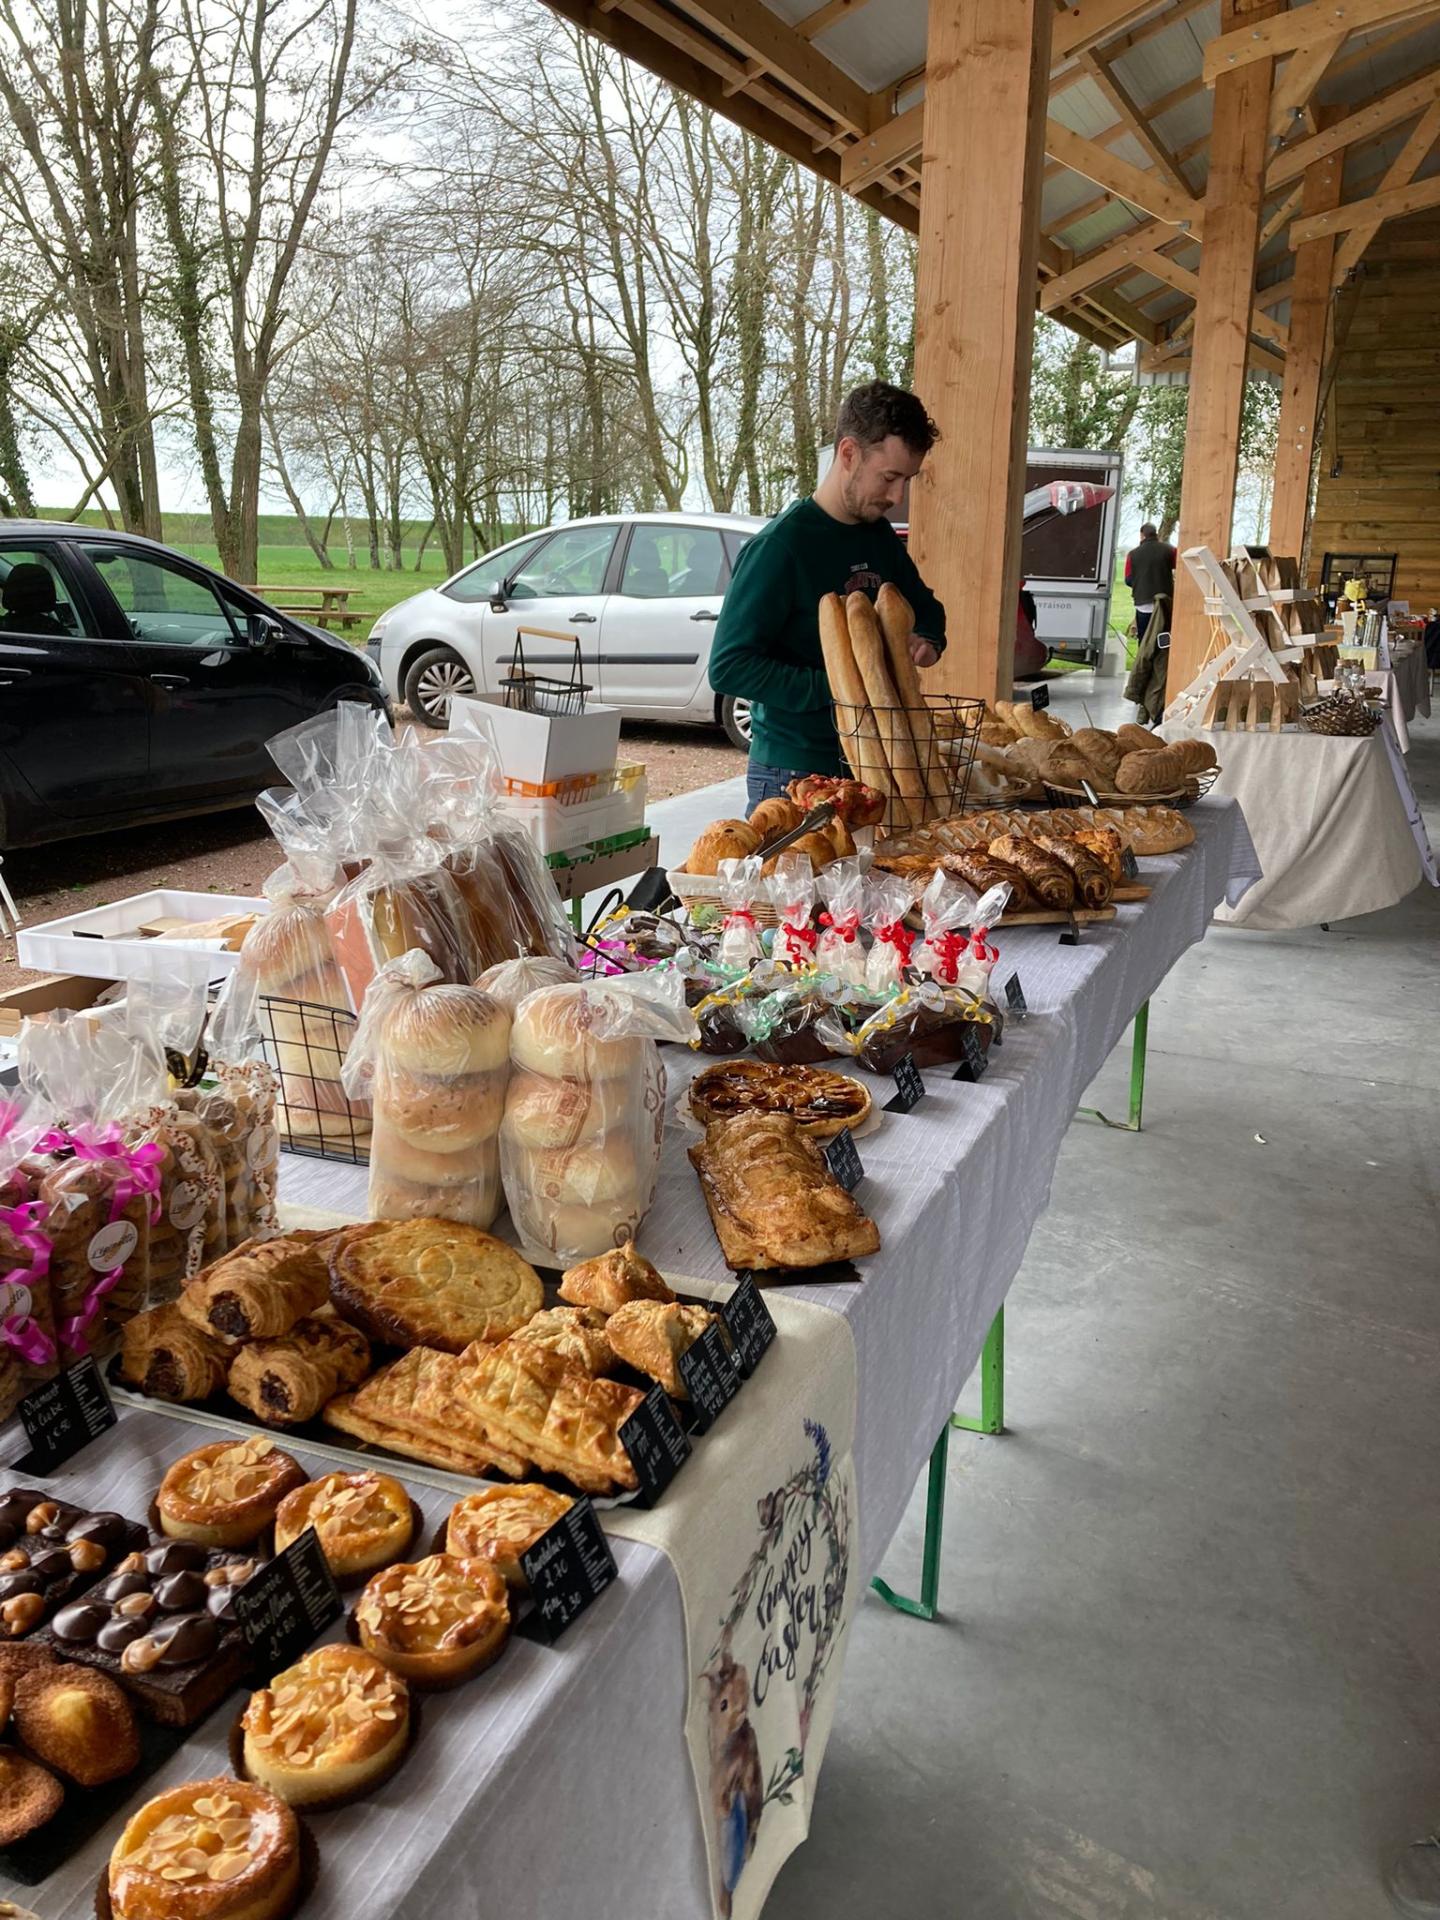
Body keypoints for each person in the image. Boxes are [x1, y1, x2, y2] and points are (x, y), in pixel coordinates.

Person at [708, 381, 947, 816]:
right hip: (794, 772)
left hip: (876, 764)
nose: (897, 497)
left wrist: (927, 638)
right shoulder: (780, 548)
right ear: (849, 453)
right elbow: (729, 667)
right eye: (890, 478)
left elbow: (925, 606)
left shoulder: (878, 537)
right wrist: (839, 688)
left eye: (907, 481)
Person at [1124, 524, 1177, 647]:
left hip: (1143, 603)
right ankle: (1161, 663)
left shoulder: (1132, 554)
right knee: (1163, 639)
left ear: (1142, 535)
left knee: (1144, 638)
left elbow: (1128, 579)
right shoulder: (1170, 550)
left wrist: (1141, 584)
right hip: (1164, 602)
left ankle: (1144, 663)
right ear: (1156, 534)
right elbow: (1178, 567)